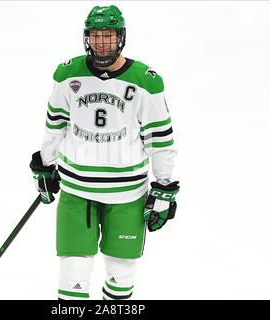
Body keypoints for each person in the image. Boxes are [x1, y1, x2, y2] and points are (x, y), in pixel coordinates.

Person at [30, 5, 180, 300]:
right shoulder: (67, 74)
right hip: (77, 188)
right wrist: (45, 165)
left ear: (121, 37)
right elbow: (55, 125)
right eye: (96, 36)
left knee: (121, 270)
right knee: (73, 269)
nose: (102, 43)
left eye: (108, 36)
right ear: (87, 38)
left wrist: (164, 185)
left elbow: (160, 139)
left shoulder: (146, 82)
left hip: (128, 193)